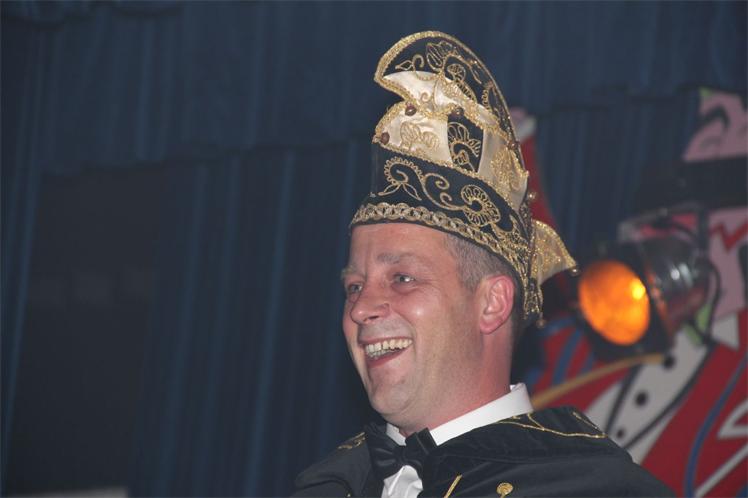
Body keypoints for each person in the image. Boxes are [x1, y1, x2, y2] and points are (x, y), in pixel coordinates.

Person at [293, 31, 674, 498]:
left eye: (402, 278)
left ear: (492, 302)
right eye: (354, 286)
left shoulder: (596, 489)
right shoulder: (329, 486)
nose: (360, 309)